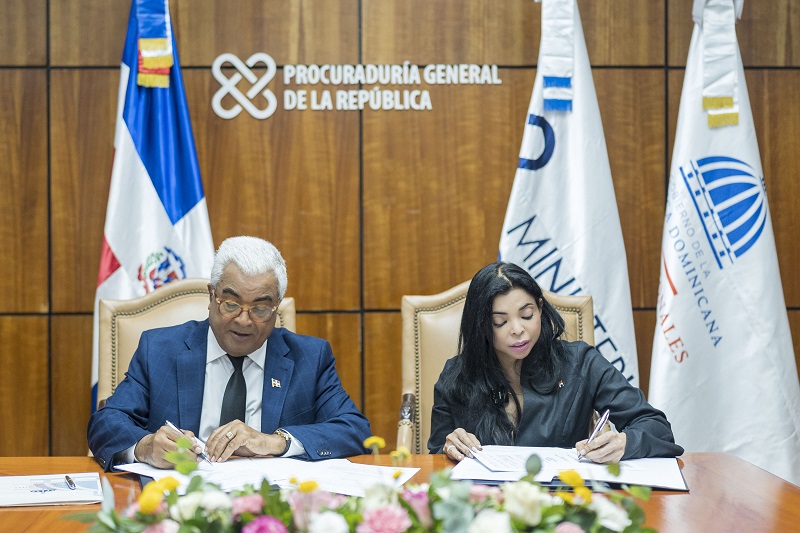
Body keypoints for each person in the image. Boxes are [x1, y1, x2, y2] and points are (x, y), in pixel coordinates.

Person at [88, 236, 371, 471]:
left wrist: (274, 441)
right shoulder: (160, 350)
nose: (244, 320)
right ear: (212, 296)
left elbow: (355, 430)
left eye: (260, 308)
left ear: (276, 307)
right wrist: (145, 447)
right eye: (231, 304)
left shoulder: (309, 357)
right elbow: (106, 423)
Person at [428, 262, 683, 463]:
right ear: (482, 326)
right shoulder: (456, 375)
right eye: (500, 322)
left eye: (527, 315)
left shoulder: (580, 363)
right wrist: (449, 447)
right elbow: (435, 459)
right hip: (485, 505)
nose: (517, 329)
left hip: (565, 503)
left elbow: (657, 427)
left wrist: (624, 443)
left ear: (540, 308)